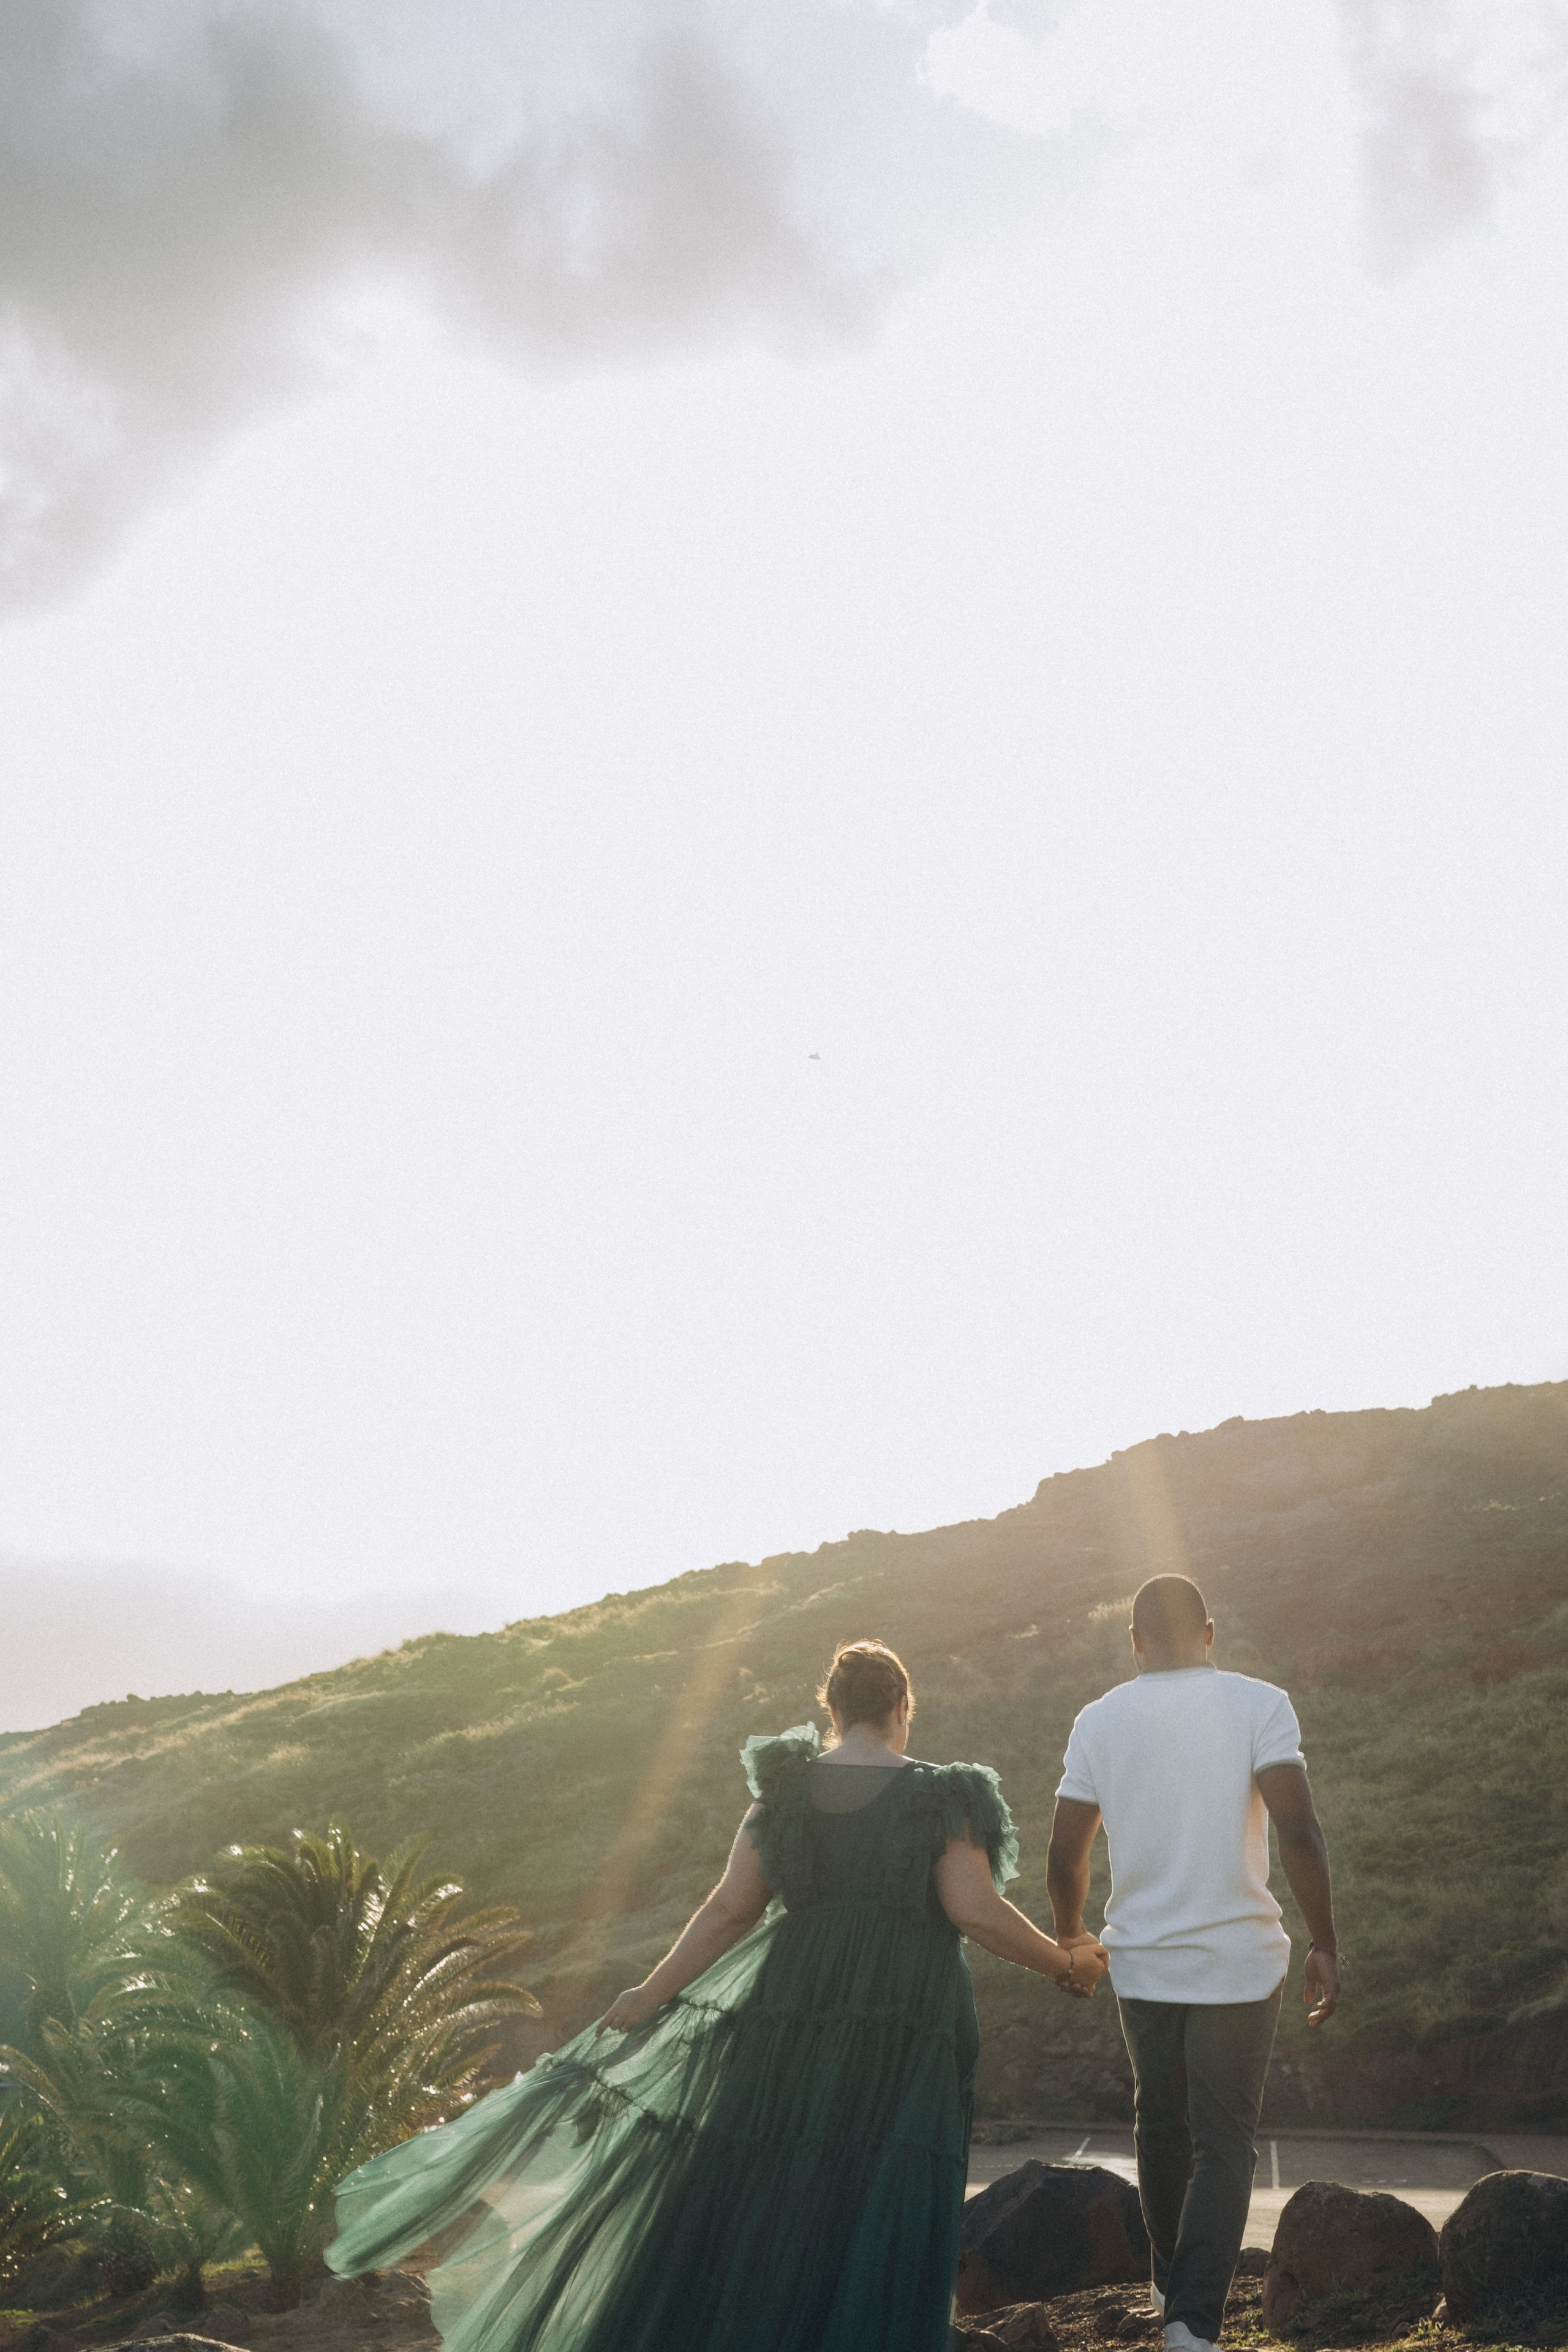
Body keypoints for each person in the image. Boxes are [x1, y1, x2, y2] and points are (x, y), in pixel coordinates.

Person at [327, 1638, 1107, 2352]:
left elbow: (728, 1910)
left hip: (789, 2008)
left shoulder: (783, 1795)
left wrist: (647, 1992)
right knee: (880, 2183)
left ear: (829, 1710)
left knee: (769, 2179)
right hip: (904, 2014)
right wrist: (1063, 1964)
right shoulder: (944, 1795)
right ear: (902, 1707)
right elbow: (973, 1909)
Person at [1046, 1574, 1340, 2352]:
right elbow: (1300, 1831)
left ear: (1136, 1642)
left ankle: (1169, 2286)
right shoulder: (1259, 1704)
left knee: (1161, 2124)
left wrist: (1072, 1937)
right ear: (1208, 1634)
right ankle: (1190, 2321)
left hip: (1141, 1960)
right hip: (1240, 1963)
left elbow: (1063, 1851)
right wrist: (1325, 1942)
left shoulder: (1099, 1721)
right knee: (1223, 2142)